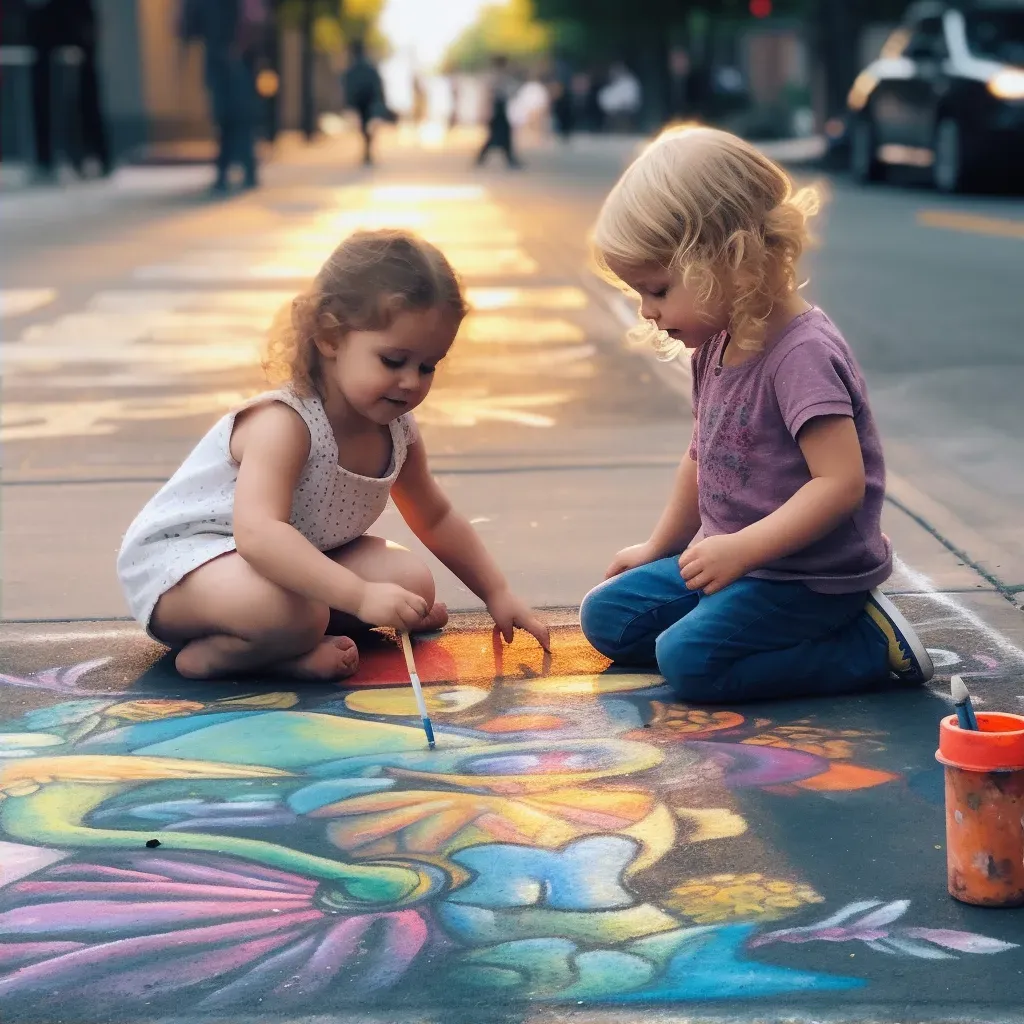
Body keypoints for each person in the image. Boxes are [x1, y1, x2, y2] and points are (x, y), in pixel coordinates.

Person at [579, 126, 934, 703]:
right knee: (607, 617)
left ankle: (866, 646)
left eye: (658, 289)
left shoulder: (802, 355)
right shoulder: (717, 344)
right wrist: (657, 549)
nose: (646, 311)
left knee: (687, 661)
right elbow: (701, 456)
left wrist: (742, 551)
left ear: (729, 256)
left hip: (808, 578)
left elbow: (840, 485)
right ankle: (744, 633)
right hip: (738, 563)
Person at [118, 229, 549, 681]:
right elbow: (260, 535)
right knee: (292, 613)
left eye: (427, 366)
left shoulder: (396, 428)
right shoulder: (286, 423)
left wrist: (496, 592)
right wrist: (361, 597)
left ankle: (295, 630)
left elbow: (435, 517)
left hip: (277, 566)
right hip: (187, 566)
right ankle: (228, 655)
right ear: (330, 336)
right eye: (393, 360)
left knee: (410, 583)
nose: (410, 382)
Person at [179, 0, 265, 193]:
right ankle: (236, 170)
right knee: (232, 117)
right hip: (225, 58)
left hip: (231, 58)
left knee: (236, 116)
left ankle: (238, 170)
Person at [26, 0, 111, 180]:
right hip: (47, 20)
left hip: (73, 19)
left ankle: (93, 154)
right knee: (45, 90)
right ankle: (48, 158)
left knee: (84, 90)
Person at [342, 39, 385, 166]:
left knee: (363, 127)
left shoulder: (352, 68)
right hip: (369, 100)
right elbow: (377, 85)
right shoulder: (369, 67)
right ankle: (367, 149)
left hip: (360, 100)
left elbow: (348, 86)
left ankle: (367, 149)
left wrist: (350, 103)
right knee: (368, 126)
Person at [476, 55, 520, 169]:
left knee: (501, 135)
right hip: (497, 109)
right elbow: (489, 96)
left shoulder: (498, 76)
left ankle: (509, 158)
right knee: (498, 135)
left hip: (500, 109)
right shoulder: (496, 77)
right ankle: (509, 159)